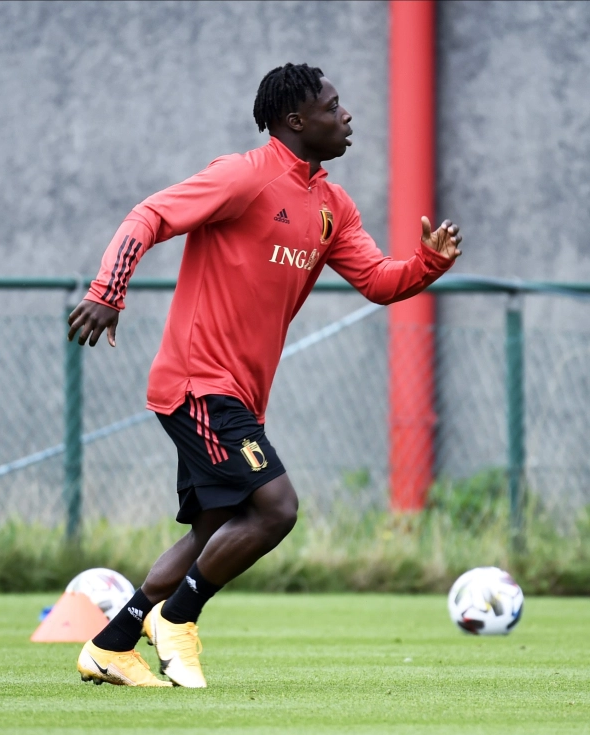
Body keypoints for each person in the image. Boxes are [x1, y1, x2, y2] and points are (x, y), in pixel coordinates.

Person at [66, 62, 462, 688]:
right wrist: (107, 290)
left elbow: (379, 282)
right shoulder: (243, 176)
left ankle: (113, 644)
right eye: (333, 106)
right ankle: (178, 618)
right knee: (276, 508)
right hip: (198, 383)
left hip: (240, 396)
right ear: (295, 120)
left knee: (214, 530)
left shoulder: (332, 205)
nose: (347, 115)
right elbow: (147, 217)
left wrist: (428, 262)